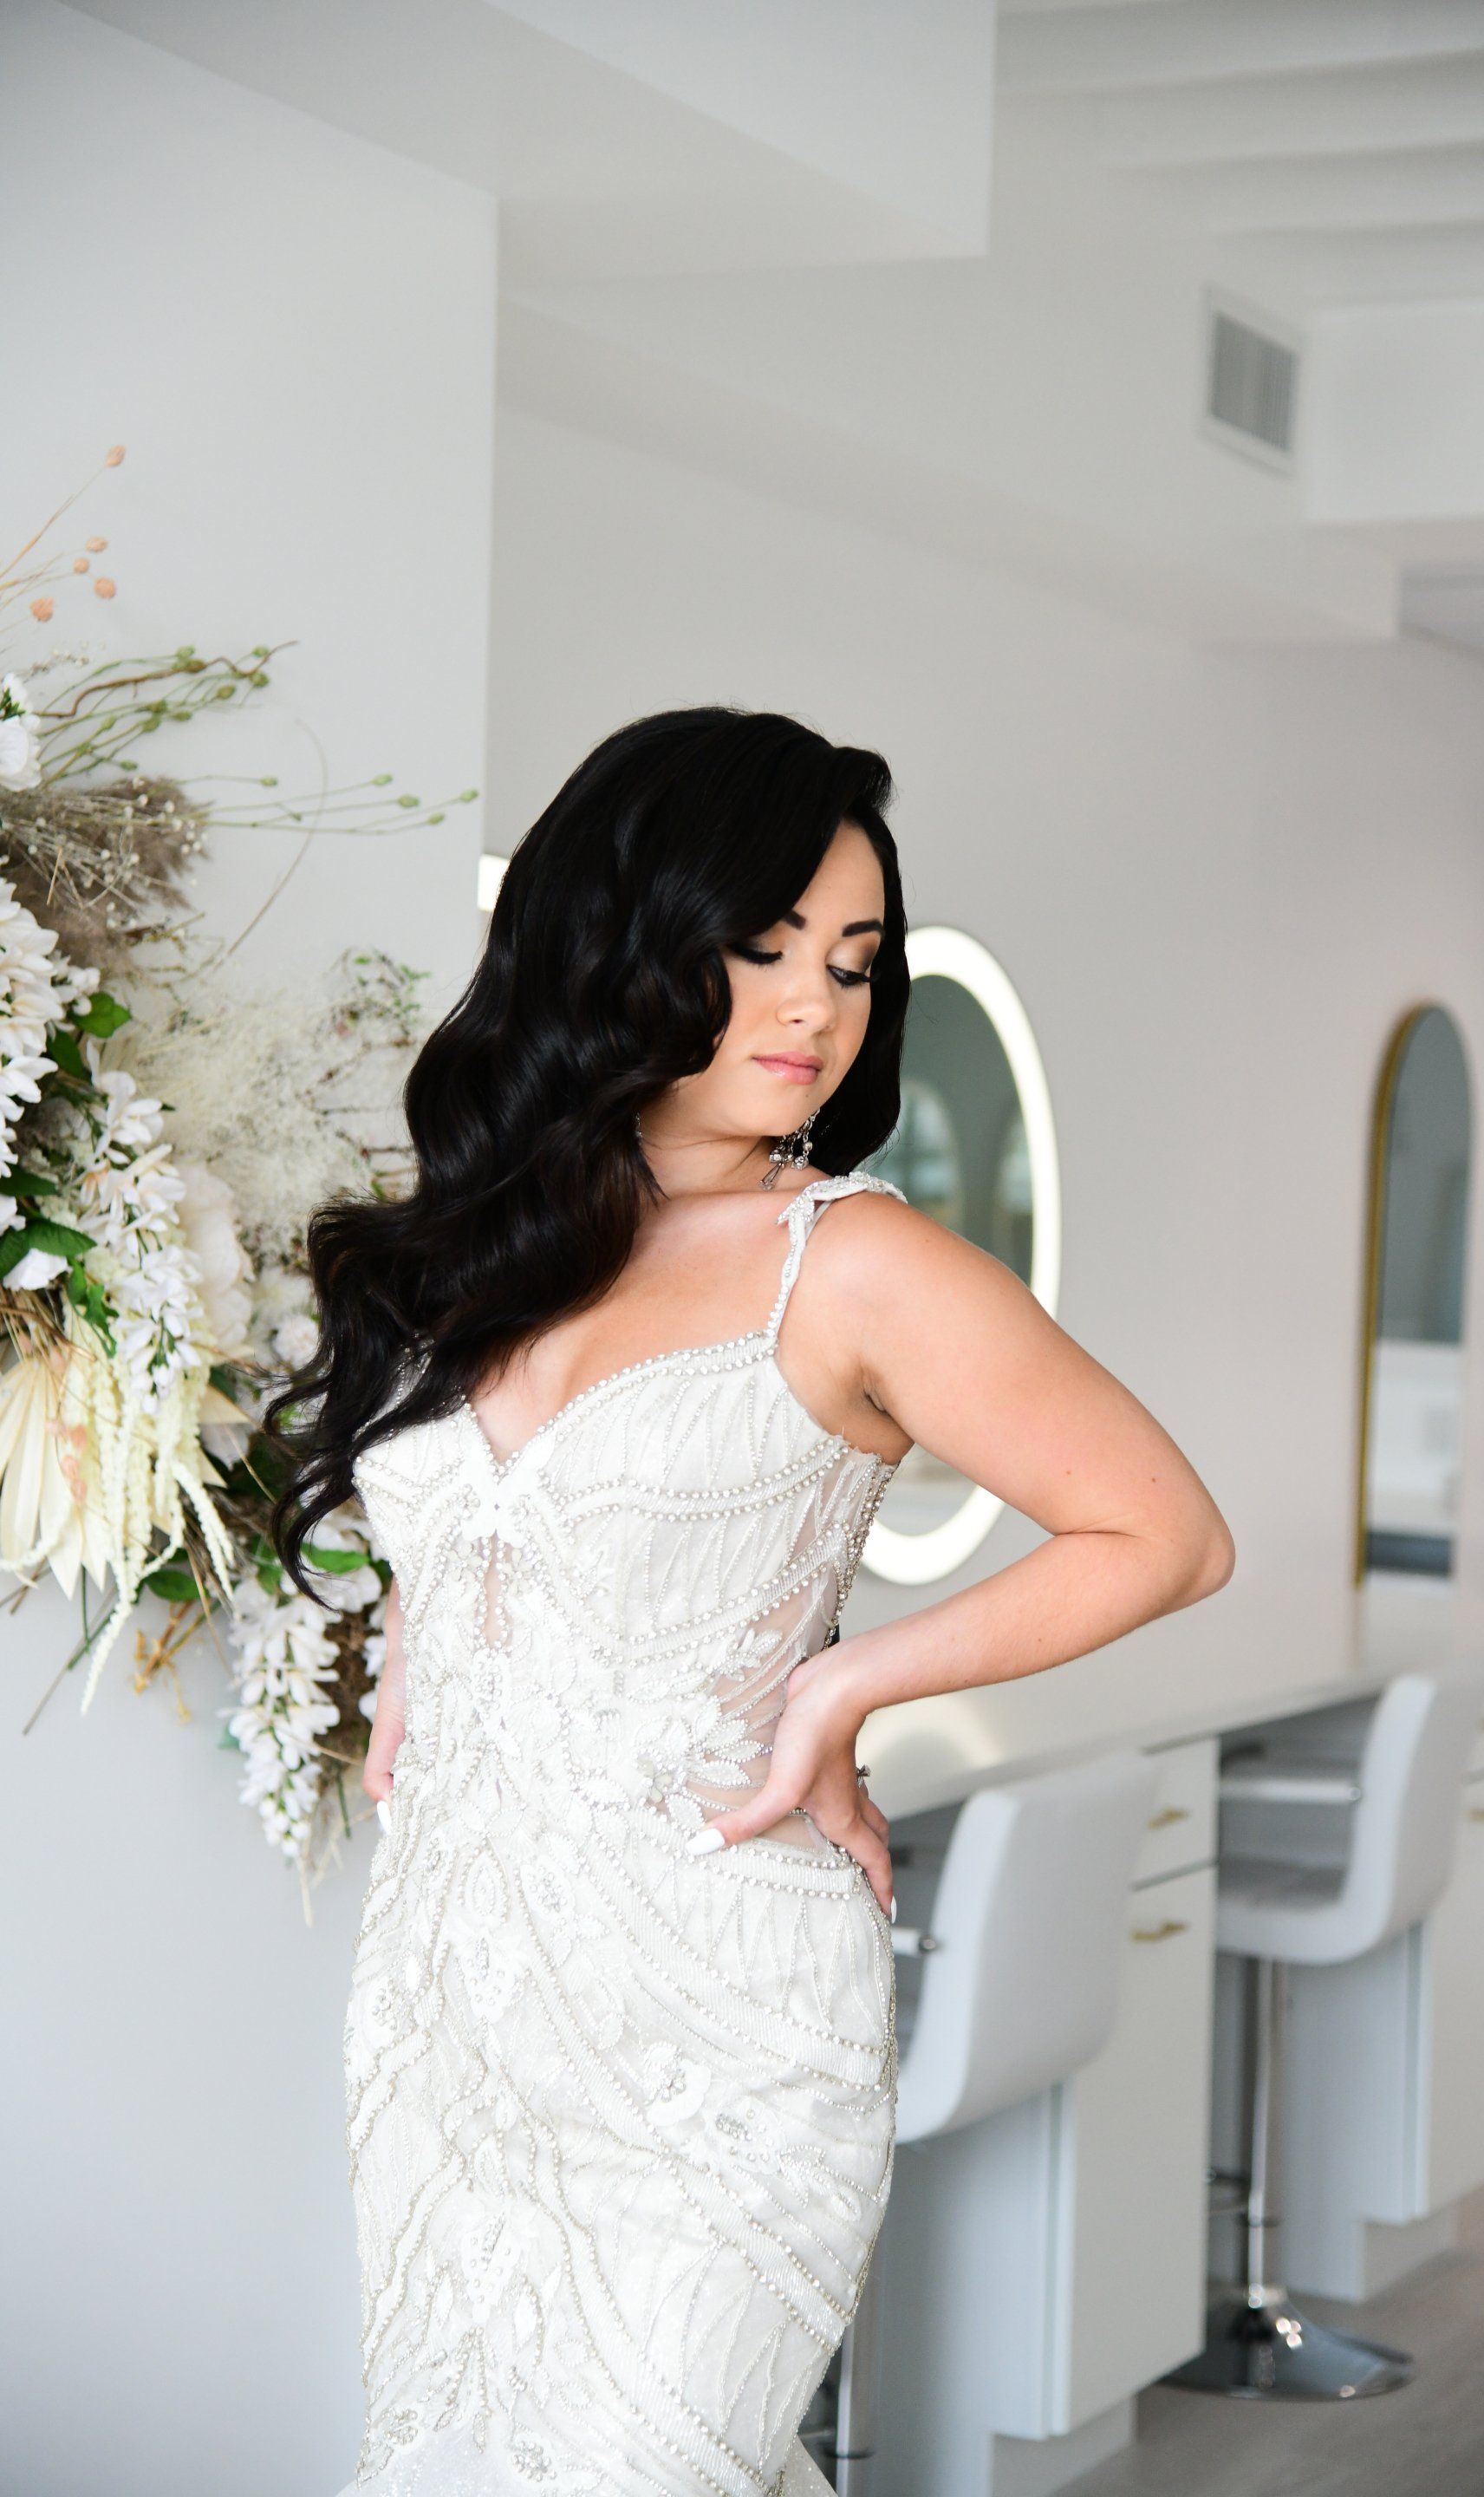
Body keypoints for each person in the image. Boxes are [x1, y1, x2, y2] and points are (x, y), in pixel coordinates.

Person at [270, 706, 1233, 2497]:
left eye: (854, 964)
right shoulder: (474, 1245)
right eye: (765, 947)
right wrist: (421, 1640)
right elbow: (479, 1516)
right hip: (455, 1991)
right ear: (616, 939)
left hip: (722, 2006)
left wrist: (841, 1689)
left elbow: (1163, 1533)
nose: (817, 1009)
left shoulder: (857, 1265)